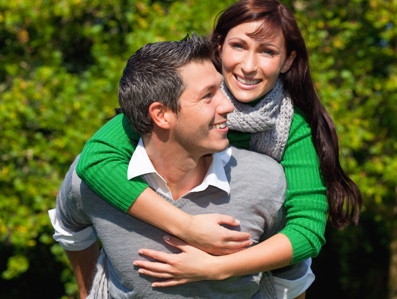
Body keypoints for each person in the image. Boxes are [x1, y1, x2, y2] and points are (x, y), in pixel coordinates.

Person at [75, 0, 362, 295]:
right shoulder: (180, 95)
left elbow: (307, 231)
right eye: (239, 46)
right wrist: (189, 228)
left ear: (287, 61)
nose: (249, 66)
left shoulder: (291, 127)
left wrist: (218, 268)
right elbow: (94, 161)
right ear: (219, 47)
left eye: (267, 51)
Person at [50, 34, 313, 298]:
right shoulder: (90, 180)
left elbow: (292, 278)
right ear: (161, 115)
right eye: (208, 96)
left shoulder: (266, 181)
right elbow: (70, 229)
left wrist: (219, 267)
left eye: (220, 89)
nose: (228, 105)